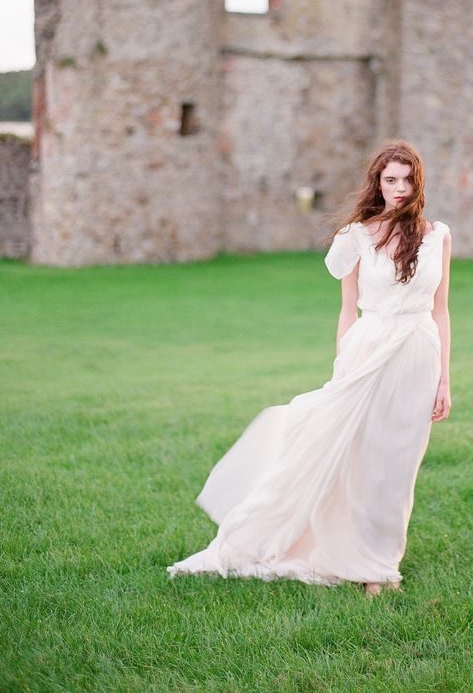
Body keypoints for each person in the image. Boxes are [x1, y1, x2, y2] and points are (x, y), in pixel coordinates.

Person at [166, 139, 452, 597]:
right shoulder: (357, 235)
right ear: (377, 184)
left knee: (398, 466)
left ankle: (381, 560)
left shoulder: (438, 235)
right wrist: (344, 363)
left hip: (419, 354)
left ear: (418, 182)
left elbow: (441, 311)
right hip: (369, 349)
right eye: (389, 179)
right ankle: (368, 566)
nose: (399, 188)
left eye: (406, 179)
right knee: (362, 459)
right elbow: (348, 309)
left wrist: (444, 379)